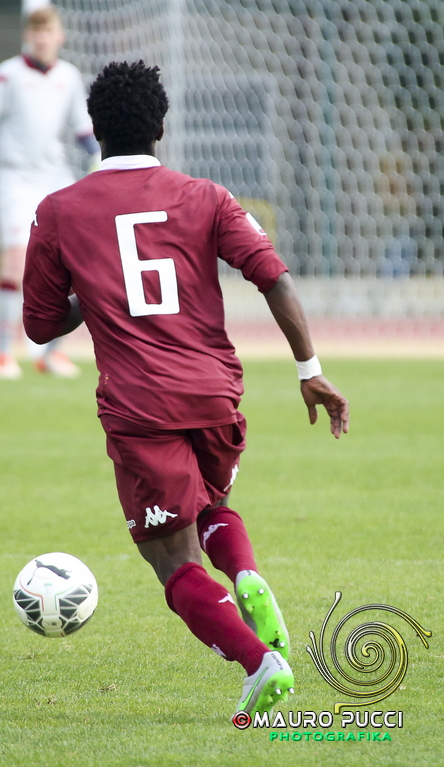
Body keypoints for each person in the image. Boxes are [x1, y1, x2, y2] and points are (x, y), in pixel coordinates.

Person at [22, 61, 350, 716]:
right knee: (208, 506)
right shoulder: (207, 196)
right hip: (215, 393)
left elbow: (38, 326)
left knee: (170, 559)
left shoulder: (59, 211)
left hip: (141, 407)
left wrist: (95, 293)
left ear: (93, 130)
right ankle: (248, 574)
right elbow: (276, 279)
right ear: (161, 127)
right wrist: (309, 372)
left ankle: (260, 664)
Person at [0, 6, 100, 380]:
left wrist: (100, 158)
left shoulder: (69, 77)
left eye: (47, 30)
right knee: (15, 261)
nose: (41, 37)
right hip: (15, 179)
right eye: (34, 31)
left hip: (57, 177)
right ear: (27, 36)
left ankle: (52, 353)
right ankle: (4, 353)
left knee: (72, 264)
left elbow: (84, 130)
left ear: (60, 35)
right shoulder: (7, 75)